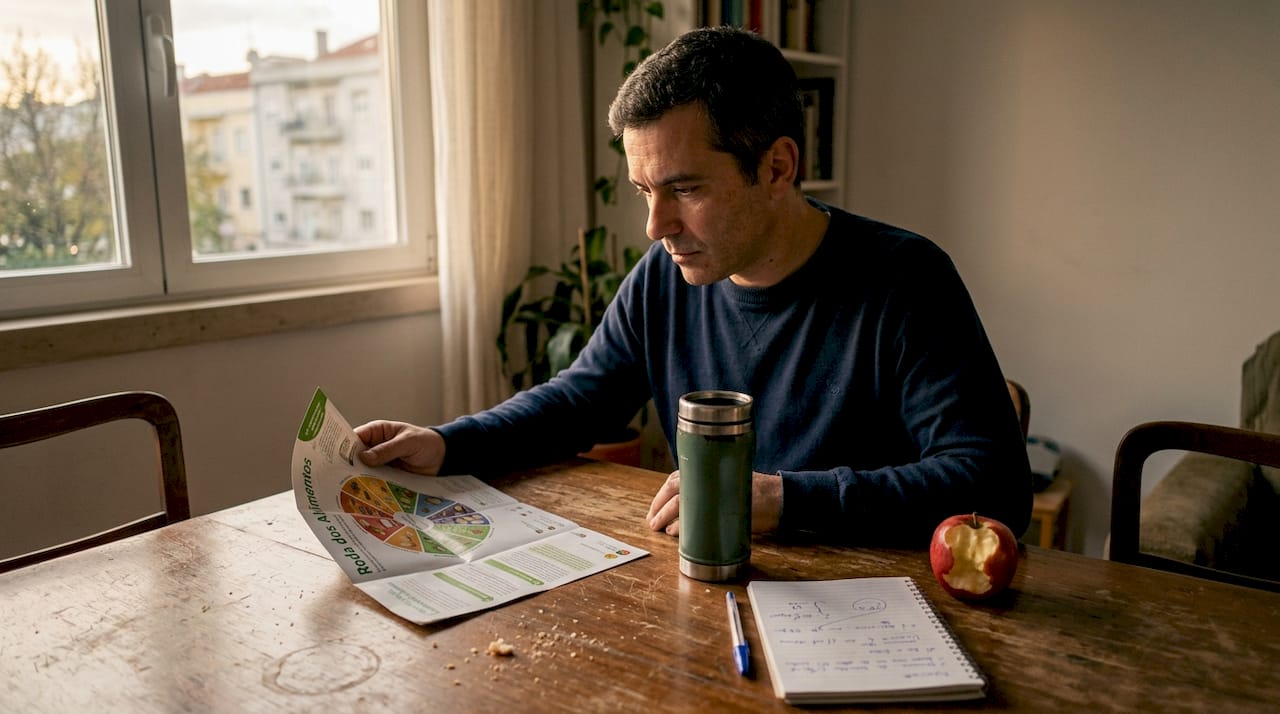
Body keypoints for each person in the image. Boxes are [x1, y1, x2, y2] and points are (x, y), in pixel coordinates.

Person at [357, 26, 1032, 546]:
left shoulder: (905, 278)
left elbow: (992, 486)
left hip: (872, 615)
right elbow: (580, 400)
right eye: (645, 191)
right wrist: (448, 443)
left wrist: (784, 501)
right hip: (706, 589)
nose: (656, 226)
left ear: (776, 167)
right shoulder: (666, 276)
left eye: (684, 189)